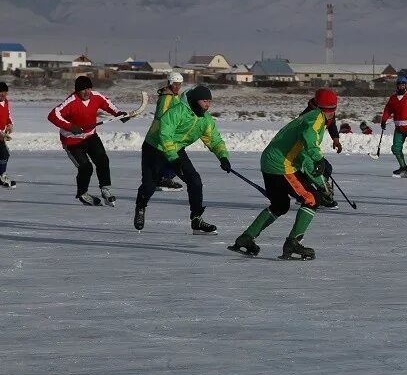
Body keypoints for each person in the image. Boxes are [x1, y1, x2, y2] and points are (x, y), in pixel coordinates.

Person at [228, 89, 338, 259]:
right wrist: (319, 164)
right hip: (281, 165)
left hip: (269, 161)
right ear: (333, 109)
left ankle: (246, 238)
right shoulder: (317, 118)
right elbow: (309, 145)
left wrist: (319, 178)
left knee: (280, 205)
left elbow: (302, 156)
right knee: (312, 199)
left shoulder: (307, 116)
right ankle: (293, 243)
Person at [134, 85, 230, 233]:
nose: (208, 105)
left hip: (177, 149)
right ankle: (141, 206)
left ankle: (196, 219)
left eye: (209, 101)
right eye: (204, 101)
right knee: (149, 185)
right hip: (155, 147)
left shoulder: (205, 119)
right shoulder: (177, 111)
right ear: (195, 100)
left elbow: (214, 140)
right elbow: (164, 134)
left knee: (195, 181)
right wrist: (173, 158)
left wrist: (223, 157)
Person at [47, 75, 129, 206]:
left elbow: (107, 104)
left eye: (89, 89)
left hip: (90, 136)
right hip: (72, 141)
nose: (87, 92)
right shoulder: (71, 101)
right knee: (86, 168)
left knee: (102, 159)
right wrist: (70, 126)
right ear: (77, 91)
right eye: (83, 90)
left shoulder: (96, 96)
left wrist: (118, 114)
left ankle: (105, 189)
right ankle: (83, 194)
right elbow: (52, 115)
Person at [148, 72, 186, 192]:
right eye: (175, 84)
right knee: (175, 156)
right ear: (170, 83)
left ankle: (161, 178)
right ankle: (164, 178)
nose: (177, 86)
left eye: (179, 84)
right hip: (164, 132)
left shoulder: (174, 96)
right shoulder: (167, 97)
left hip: (170, 132)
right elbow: (161, 117)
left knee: (166, 157)